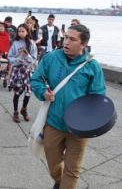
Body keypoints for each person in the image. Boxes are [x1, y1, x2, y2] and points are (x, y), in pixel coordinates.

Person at [30, 24, 106, 189]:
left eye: (72, 39)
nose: (66, 42)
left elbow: (98, 97)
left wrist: (89, 120)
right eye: (66, 38)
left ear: (83, 44)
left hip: (79, 128)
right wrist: (43, 92)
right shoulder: (51, 58)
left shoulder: (92, 66)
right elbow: (36, 79)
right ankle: (59, 181)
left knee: (72, 170)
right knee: (53, 167)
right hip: (54, 123)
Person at [8, 23, 37, 123]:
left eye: (23, 31)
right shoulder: (15, 43)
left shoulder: (32, 43)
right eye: (19, 31)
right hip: (17, 70)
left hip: (27, 70)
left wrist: (27, 55)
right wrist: (18, 59)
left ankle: (24, 109)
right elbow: (10, 56)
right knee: (17, 92)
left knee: (28, 92)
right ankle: (15, 111)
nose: (20, 33)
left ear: (27, 32)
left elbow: (34, 59)